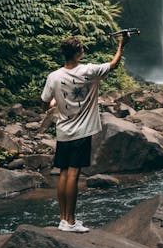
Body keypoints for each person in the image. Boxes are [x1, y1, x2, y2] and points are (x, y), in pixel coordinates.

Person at [41, 32, 129, 232]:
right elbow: (113, 64)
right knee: (73, 174)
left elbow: (44, 104)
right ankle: (71, 222)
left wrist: (54, 102)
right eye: (82, 49)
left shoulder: (53, 77)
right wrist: (122, 44)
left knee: (63, 173)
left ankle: (63, 219)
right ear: (78, 53)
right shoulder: (89, 71)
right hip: (81, 132)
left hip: (63, 131)